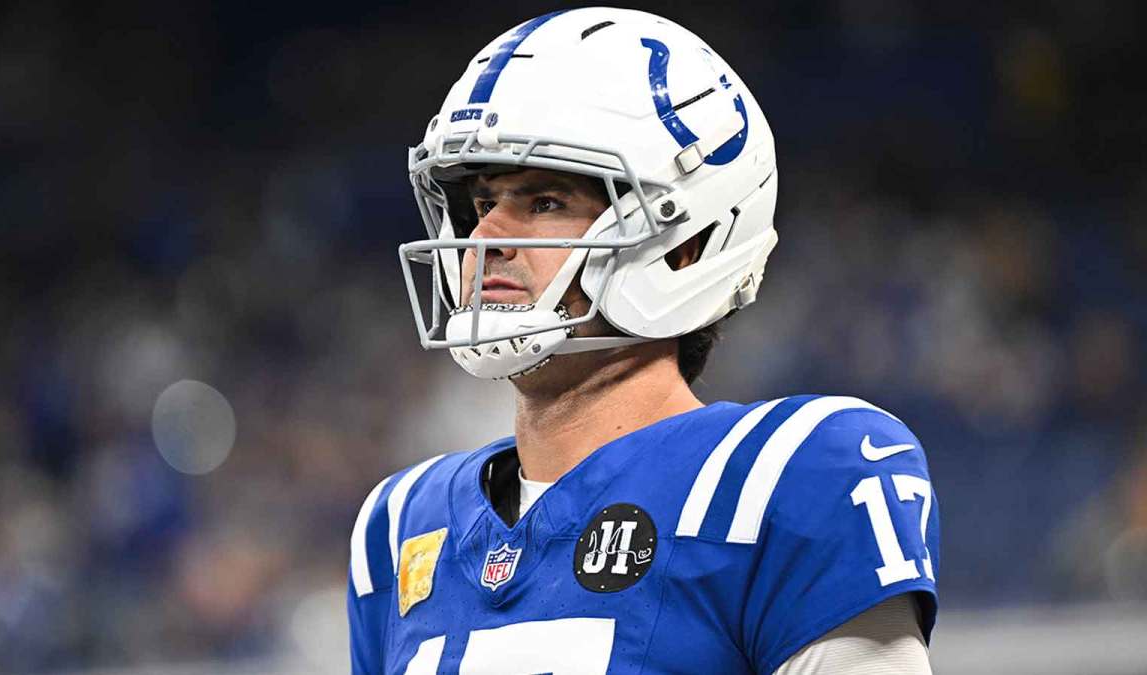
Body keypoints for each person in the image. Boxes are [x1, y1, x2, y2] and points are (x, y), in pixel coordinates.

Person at [350, 8, 938, 673]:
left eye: (544, 202)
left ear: (685, 245)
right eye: (483, 203)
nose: (485, 239)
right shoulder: (400, 526)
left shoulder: (785, 477)